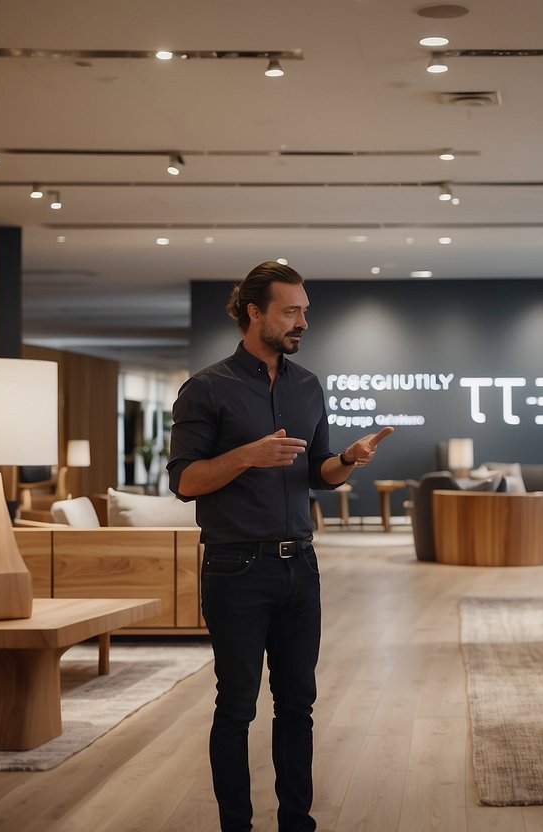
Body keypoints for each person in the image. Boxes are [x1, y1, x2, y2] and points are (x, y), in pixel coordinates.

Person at [168, 260, 392, 832]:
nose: (302, 322)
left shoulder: (307, 385)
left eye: (305, 311)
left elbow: (317, 474)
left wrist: (347, 459)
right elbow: (184, 481)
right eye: (291, 311)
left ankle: (297, 822)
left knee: (298, 706)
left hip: (302, 568)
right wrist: (246, 454)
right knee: (237, 707)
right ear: (254, 313)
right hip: (235, 569)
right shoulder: (207, 388)